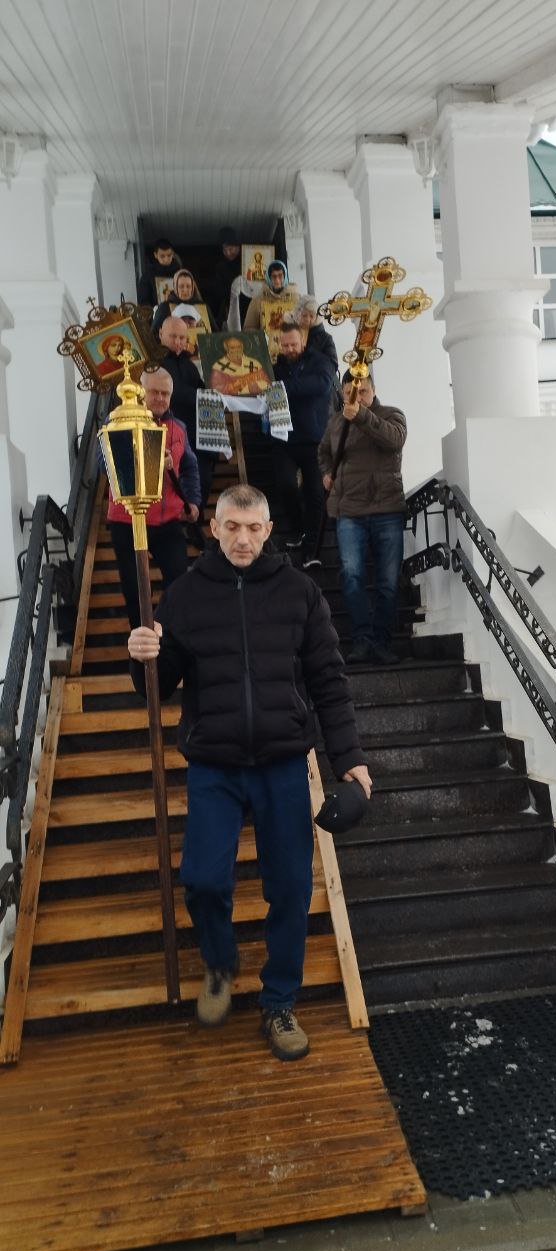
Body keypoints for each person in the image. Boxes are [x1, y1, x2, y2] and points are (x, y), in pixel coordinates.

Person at [126, 483, 372, 1060]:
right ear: (214, 528)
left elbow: (329, 681)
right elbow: (158, 684)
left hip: (283, 763)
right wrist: (144, 657)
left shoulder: (299, 592)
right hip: (215, 765)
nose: (243, 538)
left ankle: (279, 1002)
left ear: (267, 530)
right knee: (204, 880)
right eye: (232, 527)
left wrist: (350, 759)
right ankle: (220, 963)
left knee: (290, 888)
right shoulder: (185, 595)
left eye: (253, 528)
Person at [318, 370, 407, 665]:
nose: (355, 398)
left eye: (362, 392)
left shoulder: (392, 414)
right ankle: (361, 639)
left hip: (387, 510)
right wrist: (326, 472)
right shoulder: (335, 422)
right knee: (351, 576)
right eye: (349, 394)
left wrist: (361, 416)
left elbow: (394, 440)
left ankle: (382, 641)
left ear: (373, 390)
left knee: (388, 581)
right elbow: (323, 452)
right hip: (349, 512)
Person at [105, 367, 201, 629]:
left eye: (165, 393)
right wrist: (151, 459)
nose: (160, 398)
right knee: (133, 587)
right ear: (141, 391)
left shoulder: (179, 428)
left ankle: (167, 632)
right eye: (154, 392)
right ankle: (141, 638)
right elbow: (106, 464)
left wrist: (193, 500)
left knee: (179, 582)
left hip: (167, 520)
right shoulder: (117, 422)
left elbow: (190, 467)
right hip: (127, 519)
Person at [272, 322, 334, 562]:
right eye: (285, 345)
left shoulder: (320, 362)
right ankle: (298, 530)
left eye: (293, 344)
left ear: (303, 342)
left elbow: (321, 384)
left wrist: (282, 387)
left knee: (315, 493)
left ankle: (312, 547)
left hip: (314, 440)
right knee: (285, 485)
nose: (289, 349)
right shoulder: (275, 368)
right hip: (284, 439)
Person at [158, 315, 217, 526]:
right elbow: (174, 392)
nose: (178, 342)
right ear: (161, 334)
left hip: (197, 434)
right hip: (169, 435)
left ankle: (195, 526)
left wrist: (219, 388)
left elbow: (201, 389)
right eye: (173, 336)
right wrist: (203, 395)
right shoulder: (155, 365)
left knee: (204, 480)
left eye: (182, 337)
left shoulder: (189, 365)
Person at [238, 259, 298, 333]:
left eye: (280, 276)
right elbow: (249, 328)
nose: (277, 280)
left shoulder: (296, 299)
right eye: (274, 276)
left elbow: (304, 325)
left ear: (285, 276)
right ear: (268, 278)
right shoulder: (258, 300)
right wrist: (261, 336)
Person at [152, 270, 215, 334]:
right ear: (175, 287)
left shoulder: (203, 306)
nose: (185, 290)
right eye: (181, 286)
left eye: (188, 286)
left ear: (193, 287)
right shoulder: (164, 307)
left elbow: (215, 332)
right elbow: (154, 334)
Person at [208, 226, 242, 326]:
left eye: (230, 249)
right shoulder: (220, 267)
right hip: (230, 306)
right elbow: (218, 292)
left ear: (238, 247)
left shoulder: (247, 262)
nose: (228, 253)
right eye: (224, 250)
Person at [295, 295, 338, 372]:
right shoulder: (291, 334)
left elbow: (332, 365)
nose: (307, 319)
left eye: (311, 316)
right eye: (304, 315)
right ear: (298, 315)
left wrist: (310, 352)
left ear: (317, 317)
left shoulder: (326, 338)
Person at [137, 238, 182, 307]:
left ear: (172, 254)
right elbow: (143, 301)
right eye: (162, 256)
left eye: (169, 255)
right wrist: (155, 310)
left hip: (178, 311)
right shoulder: (148, 275)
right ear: (155, 255)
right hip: (156, 311)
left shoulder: (180, 273)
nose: (166, 259)